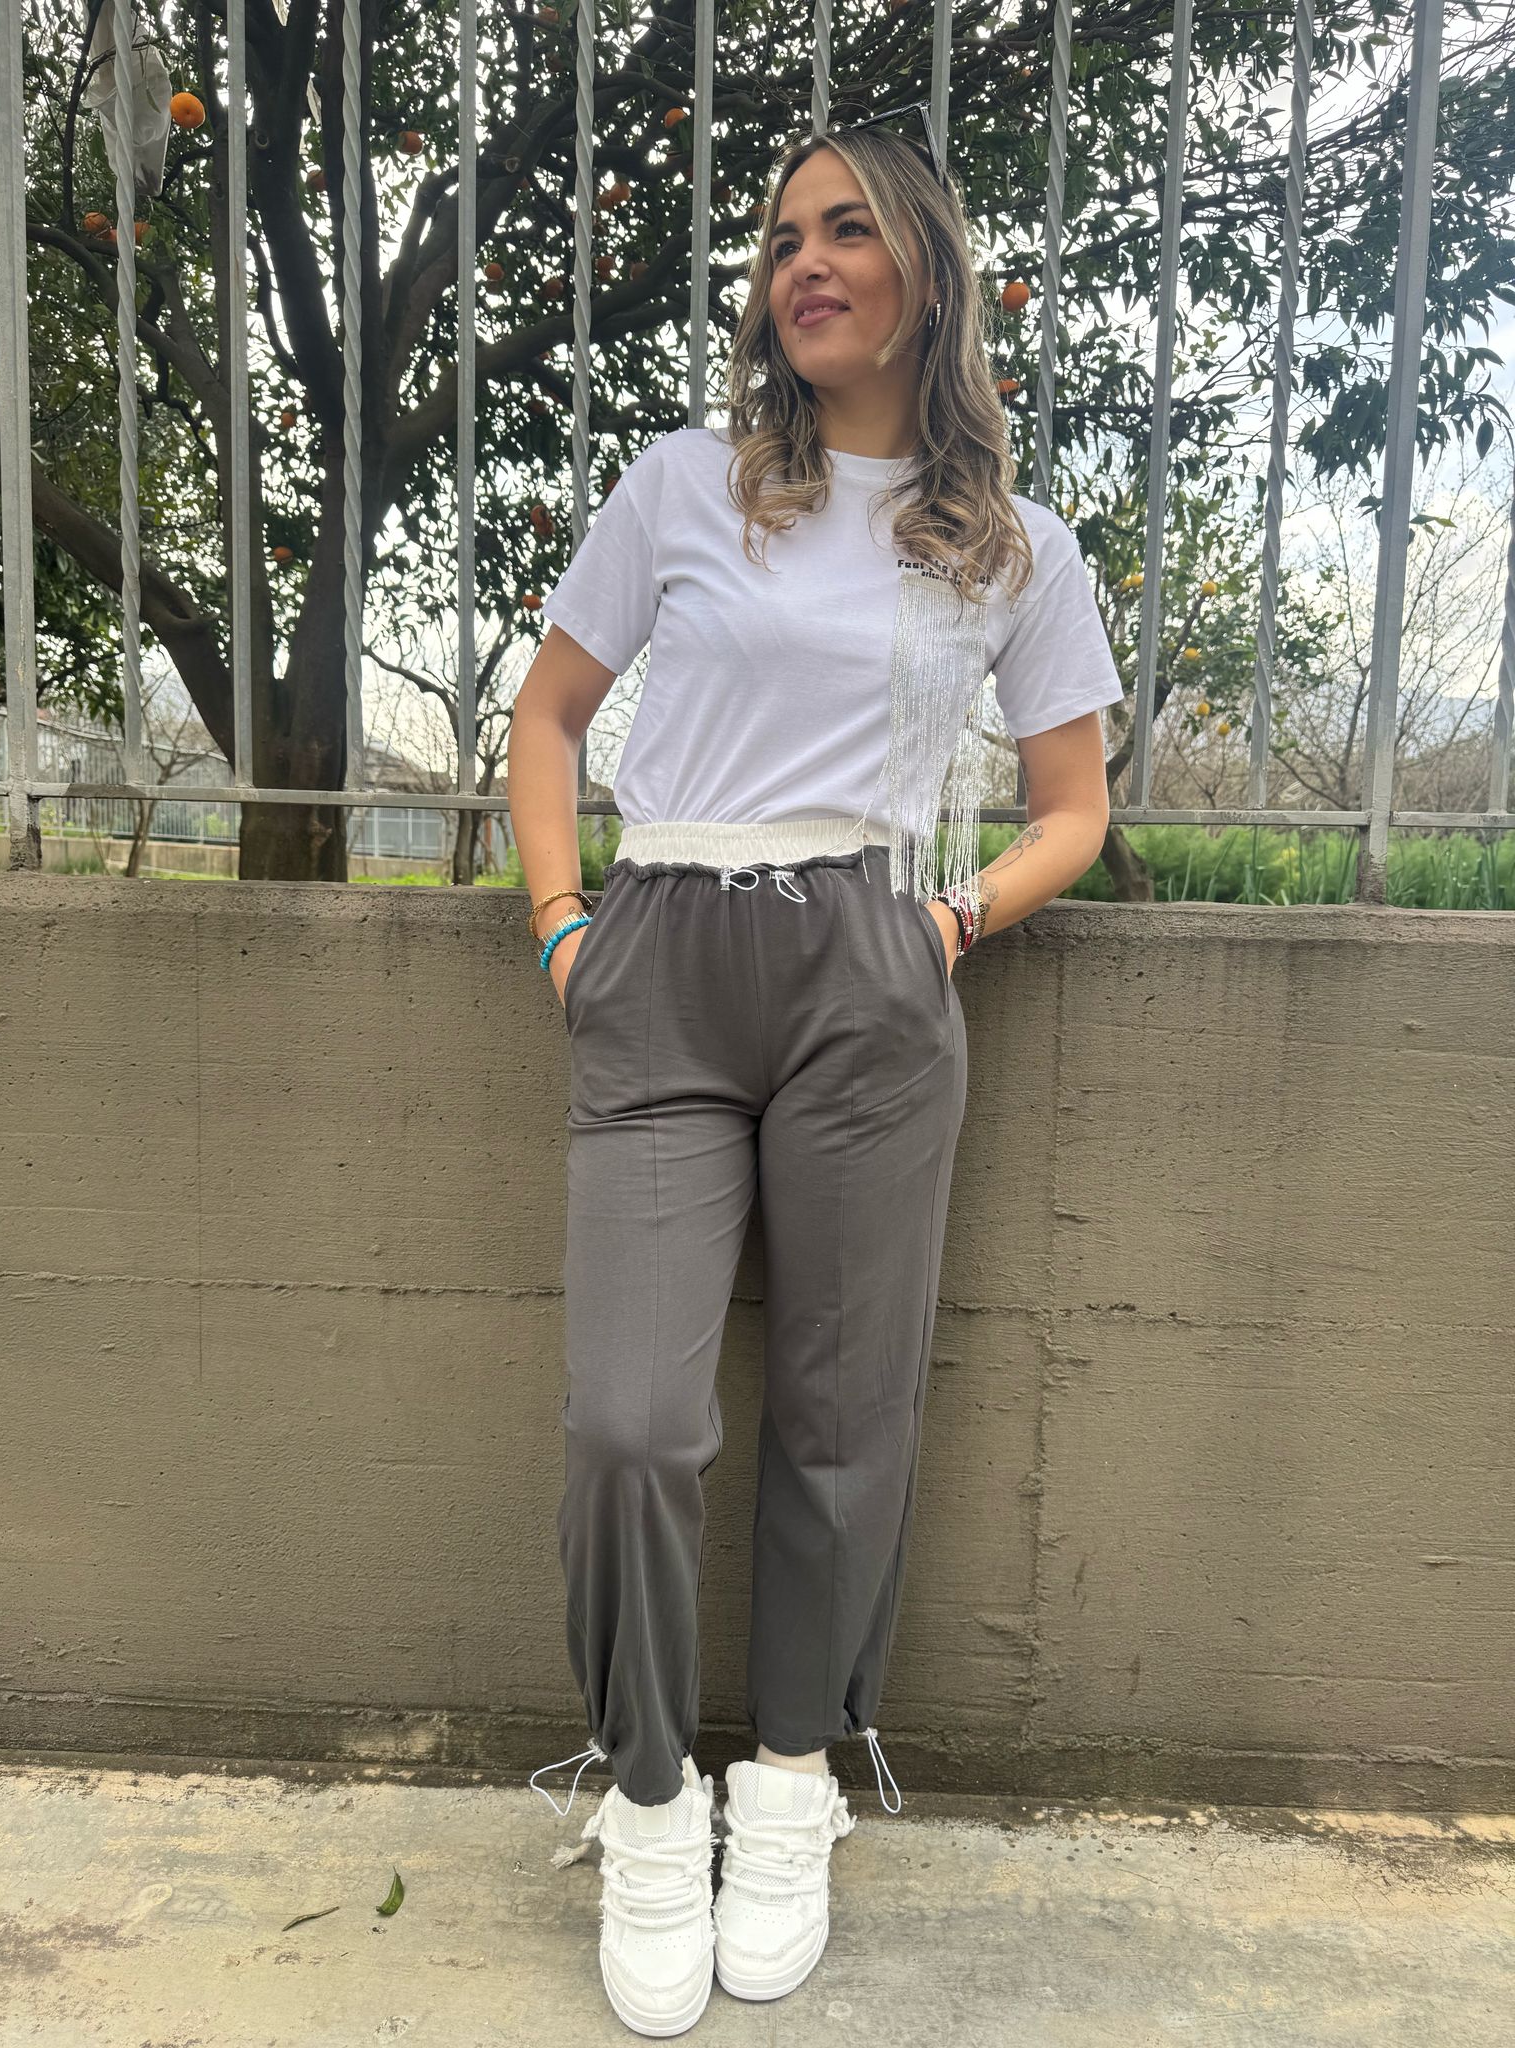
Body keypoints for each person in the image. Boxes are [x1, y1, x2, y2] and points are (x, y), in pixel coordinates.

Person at [508, 110, 1124, 2039]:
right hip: (665, 961)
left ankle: (787, 1790)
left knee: (844, 1422)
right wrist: (562, 926)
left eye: (848, 231)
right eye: (782, 240)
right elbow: (550, 714)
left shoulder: (1012, 546)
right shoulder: (685, 487)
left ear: (926, 272)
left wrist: (947, 922)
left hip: (871, 963)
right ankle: (647, 1799)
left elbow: (1075, 806)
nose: (806, 265)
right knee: (631, 1422)